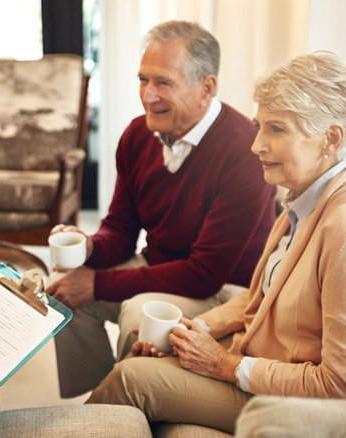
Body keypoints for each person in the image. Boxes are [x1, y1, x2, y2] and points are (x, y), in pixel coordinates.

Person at [86, 51, 346, 434]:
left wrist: (224, 365)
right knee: (142, 354)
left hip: (335, 410)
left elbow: (341, 386)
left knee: (132, 379)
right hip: (277, 364)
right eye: (260, 126)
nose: (256, 144)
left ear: (331, 138)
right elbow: (260, 295)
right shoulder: (306, 196)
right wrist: (191, 332)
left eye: (276, 129)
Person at [46, 20, 277, 398]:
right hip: (161, 266)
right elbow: (119, 230)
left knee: (139, 314)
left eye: (163, 83)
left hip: (227, 289)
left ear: (207, 88)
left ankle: (125, 403)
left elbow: (204, 275)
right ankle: (101, 403)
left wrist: (97, 283)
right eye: (143, 80)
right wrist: (88, 246)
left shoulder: (244, 150)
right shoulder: (138, 135)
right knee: (61, 296)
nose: (148, 95)